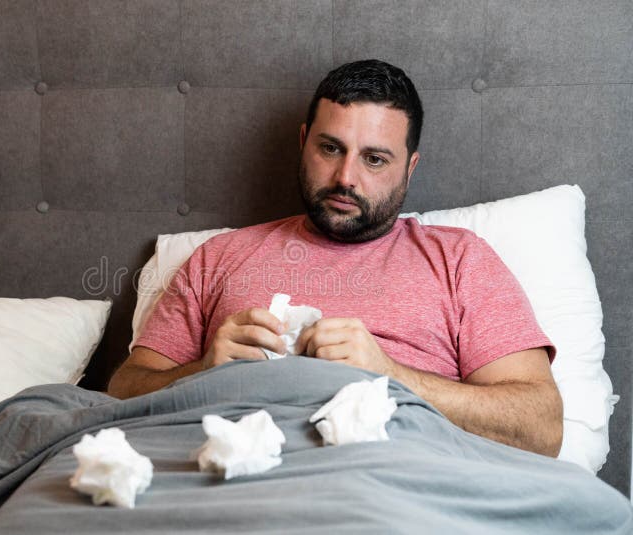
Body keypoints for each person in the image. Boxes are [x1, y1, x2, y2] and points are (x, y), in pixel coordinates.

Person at [108, 60, 563, 457]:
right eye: (330, 148)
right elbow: (123, 391)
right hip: (229, 472)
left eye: (375, 159)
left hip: (391, 479)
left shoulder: (460, 261)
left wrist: (390, 375)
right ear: (304, 142)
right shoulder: (220, 257)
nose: (346, 177)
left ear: (410, 167)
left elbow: (541, 429)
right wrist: (202, 372)